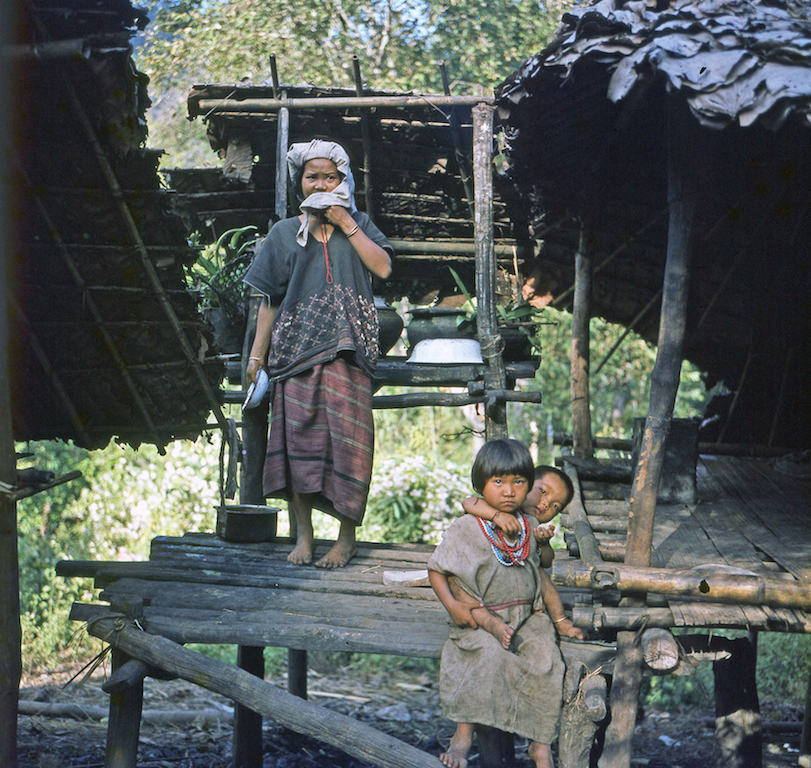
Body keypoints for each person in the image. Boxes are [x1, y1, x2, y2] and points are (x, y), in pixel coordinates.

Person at [244, 139, 393, 569]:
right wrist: (257, 357)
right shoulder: (283, 234)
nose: (322, 183)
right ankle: (304, 537)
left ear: (343, 181)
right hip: (295, 353)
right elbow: (269, 301)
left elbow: (382, 267)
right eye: (313, 176)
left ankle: (345, 540)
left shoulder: (359, 223)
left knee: (352, 444)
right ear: (300, 183)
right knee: (298, 444)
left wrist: (345, 221)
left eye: (331, 176)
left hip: (350, 353)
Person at [428, 439, 585, 768]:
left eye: (518, 483)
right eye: (499, 482)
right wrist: (452, 606)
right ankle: (462, 737)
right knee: (486, 658)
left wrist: (554, 619)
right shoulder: (470, 525)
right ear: (482, 483)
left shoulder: (528, 526)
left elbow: (540, 568)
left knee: (547, 659)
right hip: (481, 616)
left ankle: (540, 745)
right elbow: (437, 567)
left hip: (526, 617)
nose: (510, 491)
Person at [461, 464, 575, 568]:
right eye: (543, 491)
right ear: (527, 484)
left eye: (555, 506)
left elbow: (547, 563)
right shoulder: (504, 505)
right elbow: (468, 502)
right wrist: (497, 516)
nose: (546, 504)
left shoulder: (533, 527)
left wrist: (543, 544)